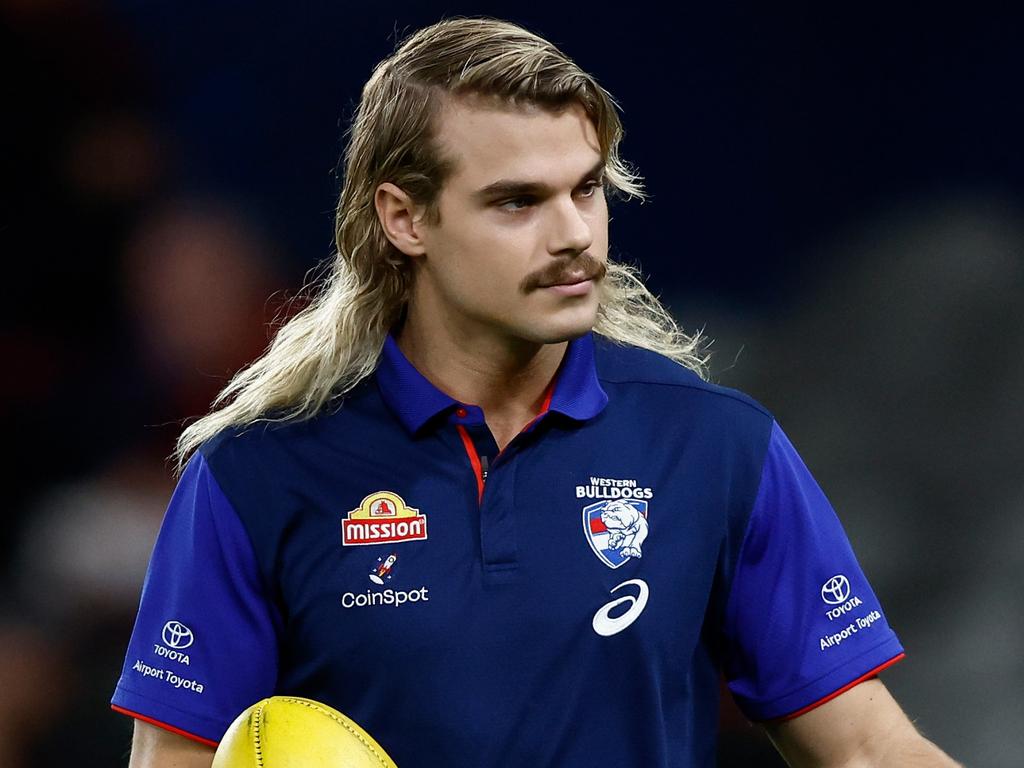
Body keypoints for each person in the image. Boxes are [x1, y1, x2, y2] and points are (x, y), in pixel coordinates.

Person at [111, 16, 961, 768]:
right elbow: (174, 759)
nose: (573, 236)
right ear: (405, 219)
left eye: (585, 188)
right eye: (517, 202)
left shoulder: (716, 446)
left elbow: (866, 749)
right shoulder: (254, 475)